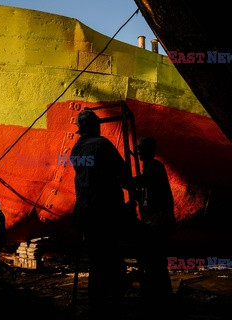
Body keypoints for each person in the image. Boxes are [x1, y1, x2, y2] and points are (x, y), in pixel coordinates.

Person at [70, 109, 133, 318]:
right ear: (95, 126)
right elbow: (123, 173)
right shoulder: (102, 145)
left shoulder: (76, 149)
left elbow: (86, 174)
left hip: (85, 213)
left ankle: (96, 303)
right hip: (105, 213)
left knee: (96, 259)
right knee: (112, 259)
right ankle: (114, 303)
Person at [133, 136, 176, 311]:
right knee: (155, 260)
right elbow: (148, 192)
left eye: (141, 148)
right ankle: (160, 296)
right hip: (155, 220)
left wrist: (123, 180)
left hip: (158, 221)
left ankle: (159, 299)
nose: (138, 152)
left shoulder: (154, 167)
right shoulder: (150, 168)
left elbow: (144, 182)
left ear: (150, 150)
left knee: (155, 260)